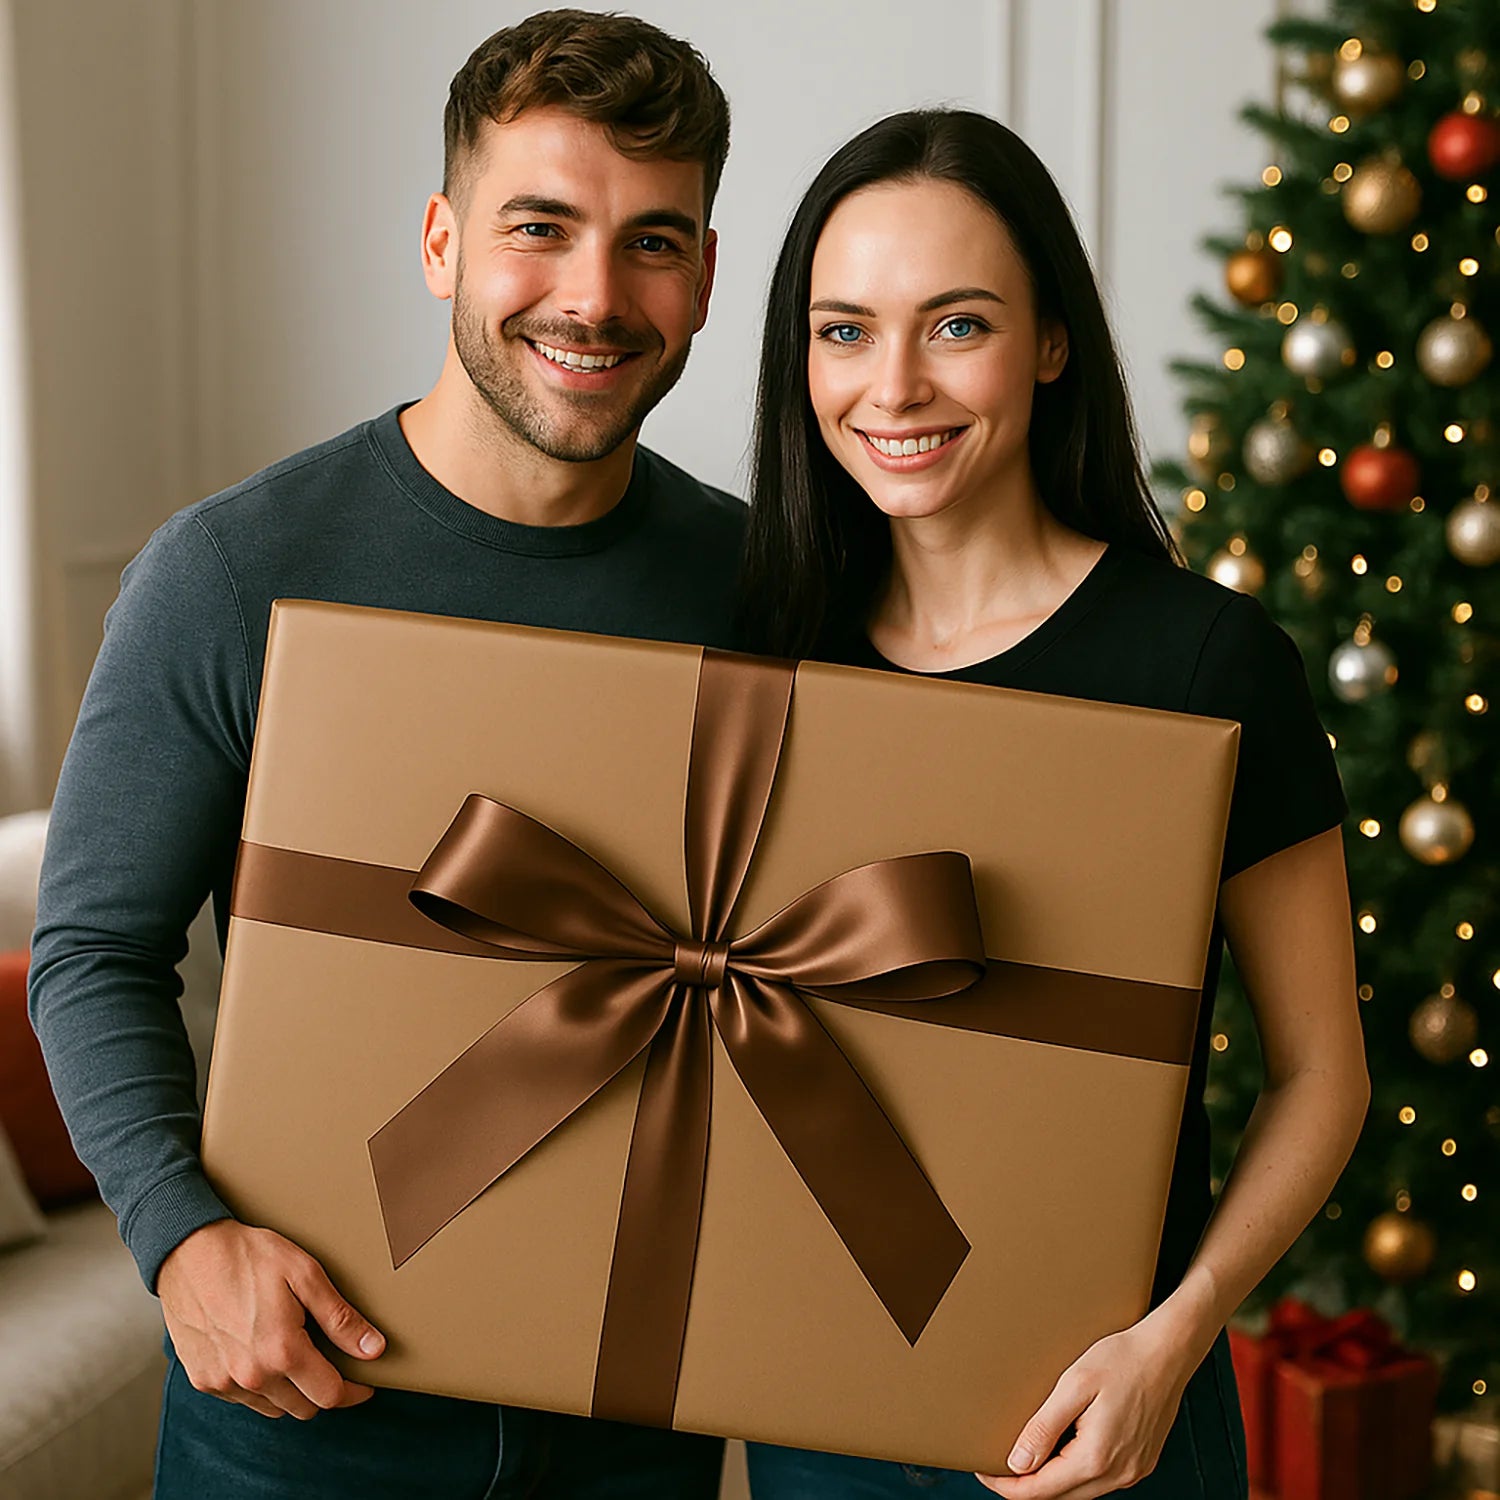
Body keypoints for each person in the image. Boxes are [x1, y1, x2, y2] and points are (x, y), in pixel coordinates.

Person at [29, 11, 739, 1498]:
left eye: (653, 242)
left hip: (635, 1420)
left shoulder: (763, 594)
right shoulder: (228, 572)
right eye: (538, 227)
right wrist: (177, 1237)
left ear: (707, 277)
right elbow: (96, 946)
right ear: (440, 241)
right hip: (294, 1419)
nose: (596, 297)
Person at [737, 109, 1370, 1500]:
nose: (892, 386)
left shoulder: (1208, 662)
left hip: (1116, 1424)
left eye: (955, 325)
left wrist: (1171, 1342)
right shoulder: (766, 659)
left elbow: (1325, 1077)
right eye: (843, 331)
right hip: (815, 1420)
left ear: (1053, 341)